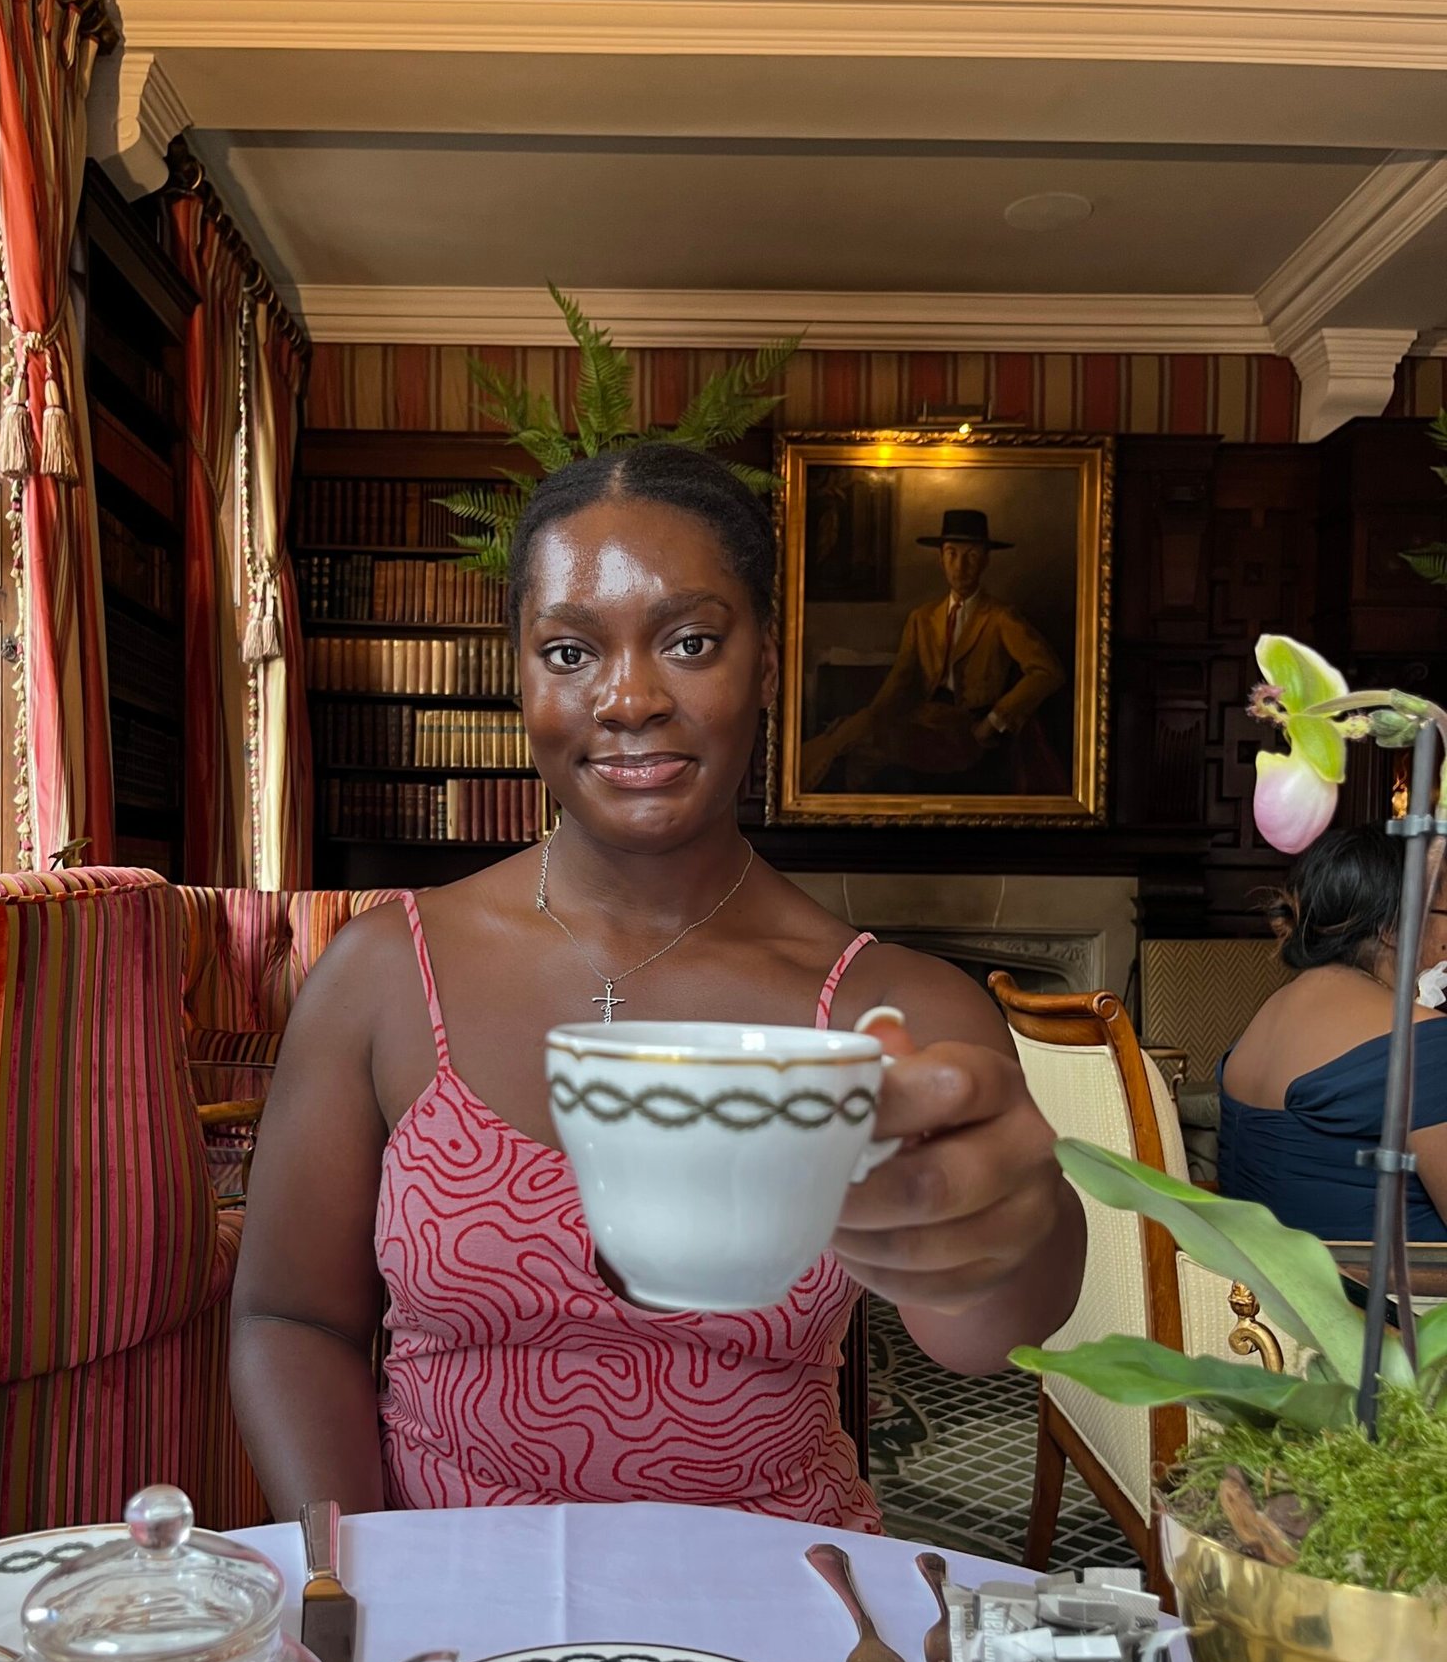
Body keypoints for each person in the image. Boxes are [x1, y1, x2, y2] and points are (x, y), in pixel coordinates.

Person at [230, 445, 1086, 1527]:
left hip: (782, 1621)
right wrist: (351, 1579)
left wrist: (1024, 1216)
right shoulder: (385, 973)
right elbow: (288, 1318)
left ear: (766, 666)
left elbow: (979, 1338)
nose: (629, 698)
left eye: (689, 642)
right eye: (570, 651)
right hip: (450, 1610)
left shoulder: (892, 1010)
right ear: (523, 677)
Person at [1218, 823, 1447, 1241]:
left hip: (1256, 1295)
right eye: (1442, 913)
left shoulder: (1269, 1015)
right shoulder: (1421, 1044)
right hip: (1380, 1301)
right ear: (1392, 928)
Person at [800, 508, 1064, 793]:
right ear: (940, 559)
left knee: (868, 745)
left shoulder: (1001, 618)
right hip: (922, 719)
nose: (960, 566)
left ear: (985, 560)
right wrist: (869, 719)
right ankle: (804, 792)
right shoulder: (922, 618)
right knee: (853, 738)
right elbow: (900, 682)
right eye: (951, 554)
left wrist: (994, 720)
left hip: (965, 730)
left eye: (971, 555)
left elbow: (1048, 671)